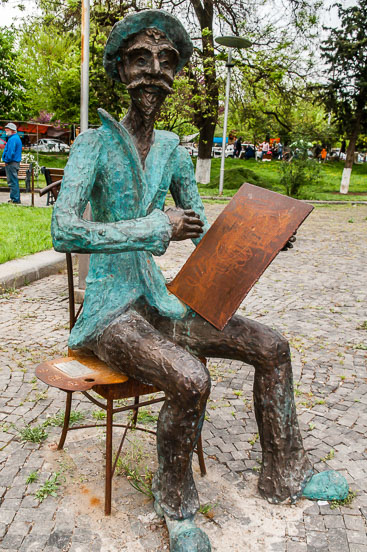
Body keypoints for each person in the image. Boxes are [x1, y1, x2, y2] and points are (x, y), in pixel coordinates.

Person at [52, 10, 316, 552]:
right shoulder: (92, 145)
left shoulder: (171, 148)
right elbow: (64, 229)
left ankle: (286, 473)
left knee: (272, 346)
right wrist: (152, 227)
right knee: (191, 379)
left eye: (167, 62)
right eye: (141, 60)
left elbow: (197, 229)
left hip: (159, 304)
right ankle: (175, 504)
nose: (155, 72)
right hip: (108, 314)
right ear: (120, 69)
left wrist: (260, 236)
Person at [2, 122, 22, 204]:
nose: (6, 131)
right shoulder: (15, 138)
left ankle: (15, 199)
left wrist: (6, 160)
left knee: (12, 181)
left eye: (8, 129)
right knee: (14, 181)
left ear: (13, 130)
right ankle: (14, 198)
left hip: (11, 163)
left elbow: (10, 152)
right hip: (14, 163)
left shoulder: (13, 139)